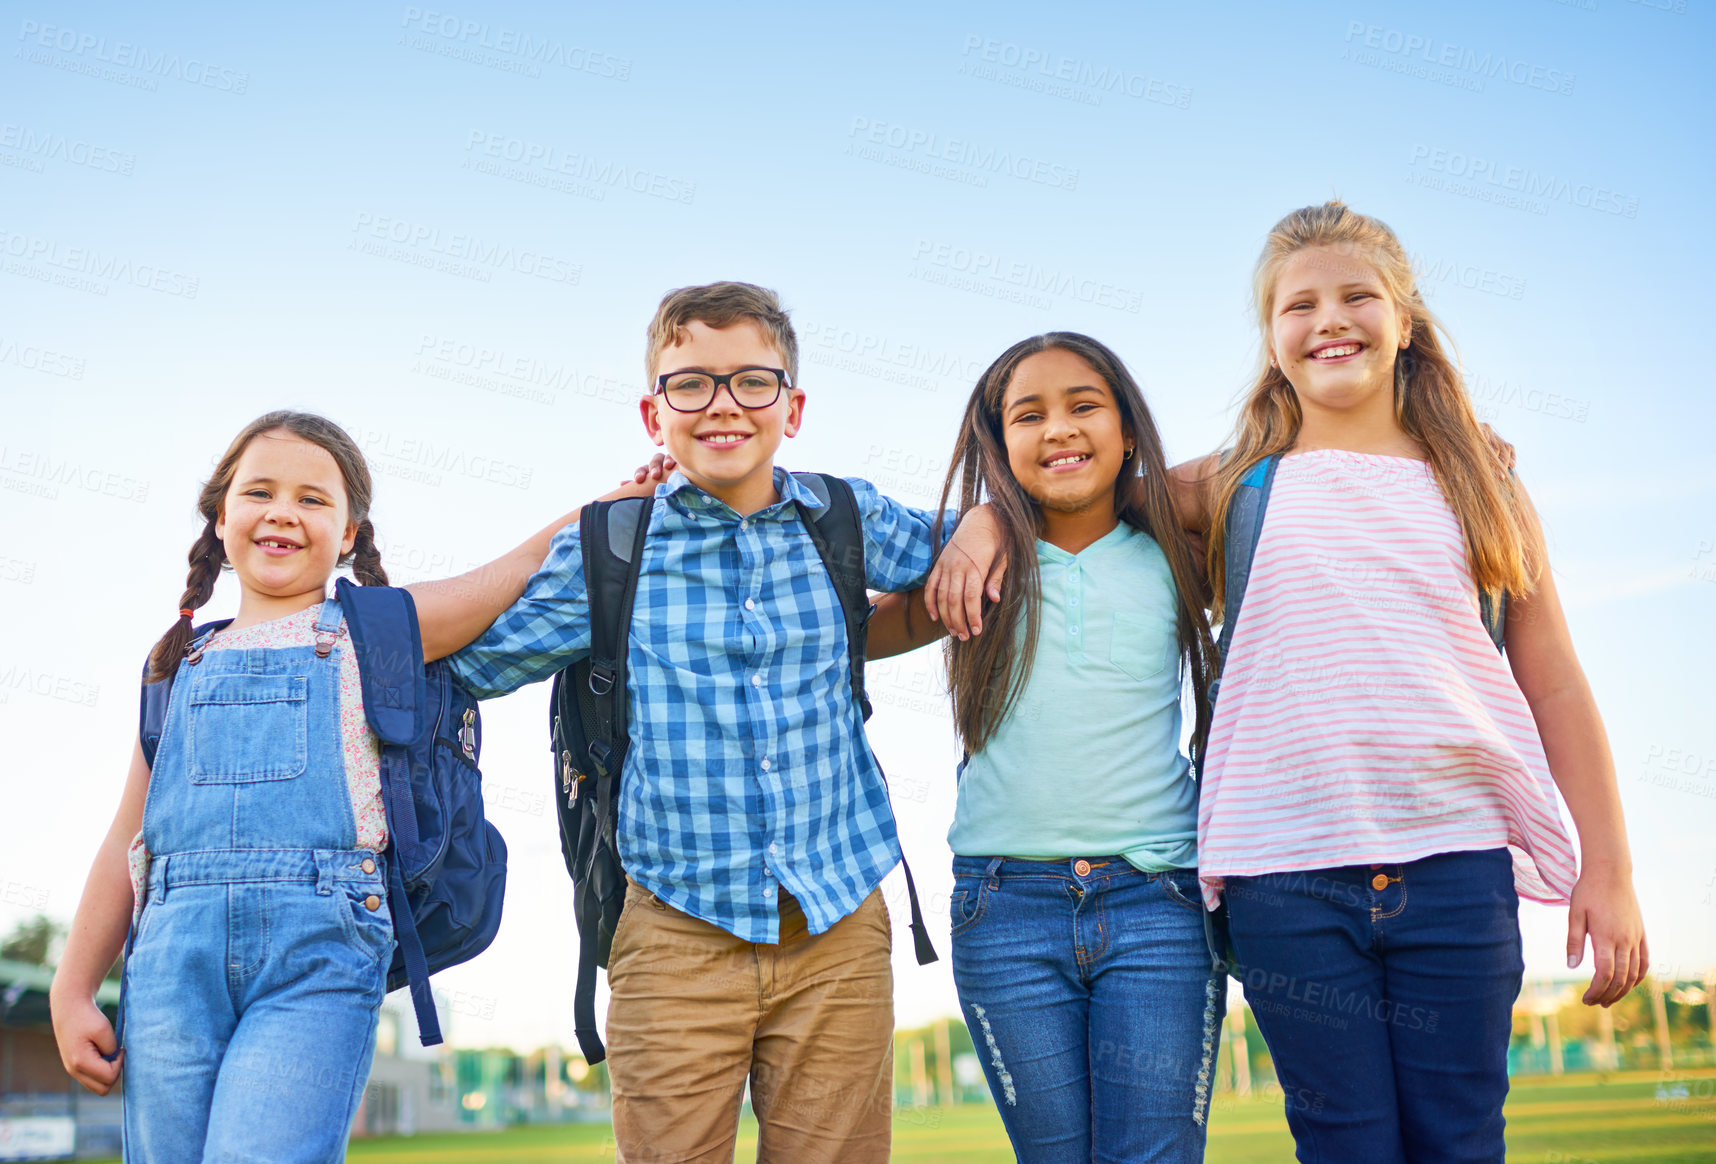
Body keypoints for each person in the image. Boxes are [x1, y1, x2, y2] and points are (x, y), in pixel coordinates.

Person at [931, 202, 1647, 1163]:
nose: (1329, 319)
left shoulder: (1483, 482)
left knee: (1462, 1139)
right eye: (1298, 304)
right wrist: (985, 518)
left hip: (1456, 866)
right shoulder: (1230, 485)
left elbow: (1551, 677)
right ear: (1272, 341)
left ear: (1406, 319)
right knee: (1343, 1142)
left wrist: (1611, 867)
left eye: (1357, 295)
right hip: (1285, 879)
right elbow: (1068, 483)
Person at [445, 281, 955, 1163]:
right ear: (654, 412)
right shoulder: (611, 548)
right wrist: (573, 522)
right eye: (691, 385)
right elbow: (470, 663)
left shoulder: (846, 516)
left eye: (752, 382)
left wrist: (982, 525)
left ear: (792, 408)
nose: (723, 405)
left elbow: (983, 551)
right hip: (675, 928)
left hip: (837, 918)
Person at [49, 411, 585, 1162]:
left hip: (319, 952)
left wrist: (622, 501)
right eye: (259, 492)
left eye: (312, 499)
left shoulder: (383, 629)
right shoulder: (176, 662)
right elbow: (124, 842)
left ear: (351, 533)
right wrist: (72, 990)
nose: (282, 513)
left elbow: (518, 567)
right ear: (221, 517)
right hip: (171, 962)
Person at [866, 332, 1223, 1163]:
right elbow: (843, 639)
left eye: (1084, 406)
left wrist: (1425, 431)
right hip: (1005, 909)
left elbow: (1264, 463)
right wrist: (987, 521)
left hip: (1156, 905)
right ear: (999, 445)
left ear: (1128, 430)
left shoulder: (1181, 555)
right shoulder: (971, 569)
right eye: (1029, 415)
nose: (1058, 428)